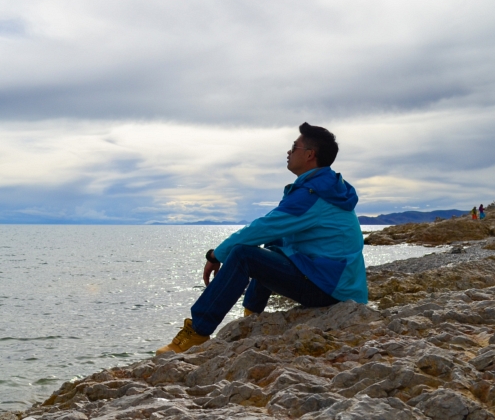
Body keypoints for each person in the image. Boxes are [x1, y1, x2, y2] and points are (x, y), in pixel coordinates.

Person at [157, 122, 367, 355]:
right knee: (273, 244)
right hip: (339, 284)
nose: (288, 152)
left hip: (330, 289)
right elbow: (272, 232)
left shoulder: (312, 194)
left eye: (293, 147)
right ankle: (251, 317)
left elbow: (262, 227)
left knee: (243, 255)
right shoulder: (323, 188)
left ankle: (197, 333)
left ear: (310, 155)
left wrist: (216, 254)